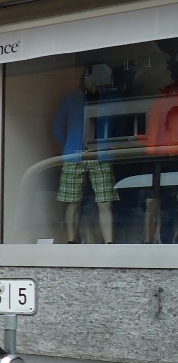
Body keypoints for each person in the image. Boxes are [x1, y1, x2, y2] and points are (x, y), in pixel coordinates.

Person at [53, 65, 117, 243]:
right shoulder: (70, 100)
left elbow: (118, 126)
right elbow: (57, 128)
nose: (85, 83)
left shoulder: (110, 100)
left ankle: (109, 242)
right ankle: (71, 241)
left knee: (105, 202)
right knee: (72, 201)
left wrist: (108, 146)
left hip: (100, 155)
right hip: (75, 155)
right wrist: (69, 147)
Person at [144, 46, 178, 243]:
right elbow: (155, 127)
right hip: (159, 157)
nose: (169, 65)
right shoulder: (164, 95)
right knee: (154, 202)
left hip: (172, 155)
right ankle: (150, 241)